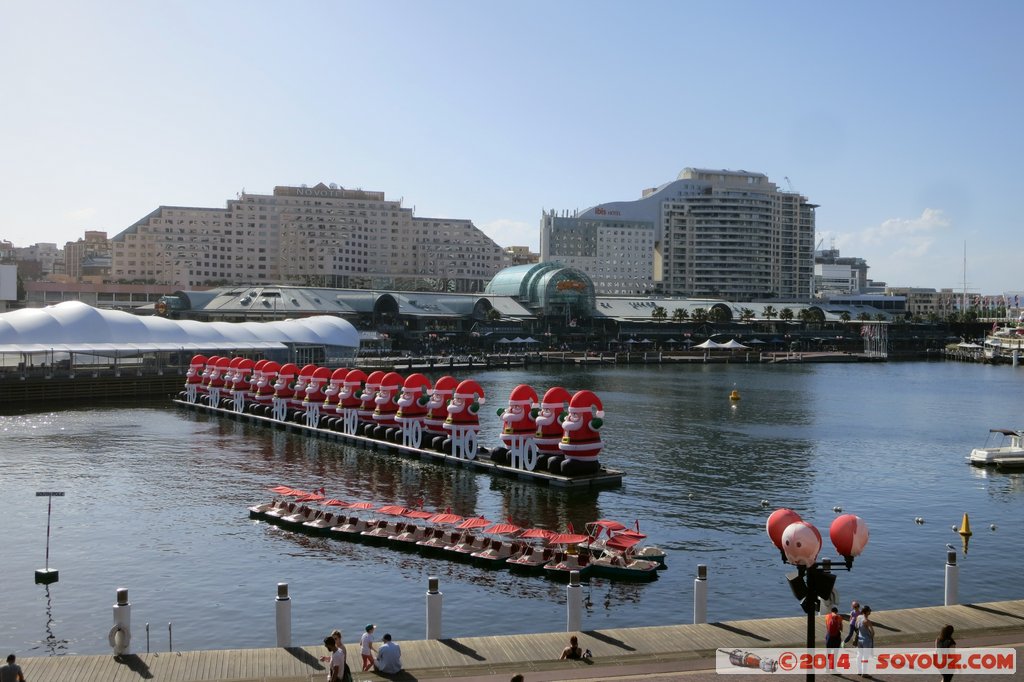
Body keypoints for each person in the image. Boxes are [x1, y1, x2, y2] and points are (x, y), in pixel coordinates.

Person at [855, 605, 875, 675]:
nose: (870, 611)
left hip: (859, 639)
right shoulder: (867, 621)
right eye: (869, 610)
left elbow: (856, 626)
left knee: (859, 655)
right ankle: (864, 673)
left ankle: (859, 671)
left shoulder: (858, 617)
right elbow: (873, 632)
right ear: (866, 612)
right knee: (865, 656)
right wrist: (870, 636)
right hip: (866, 640)